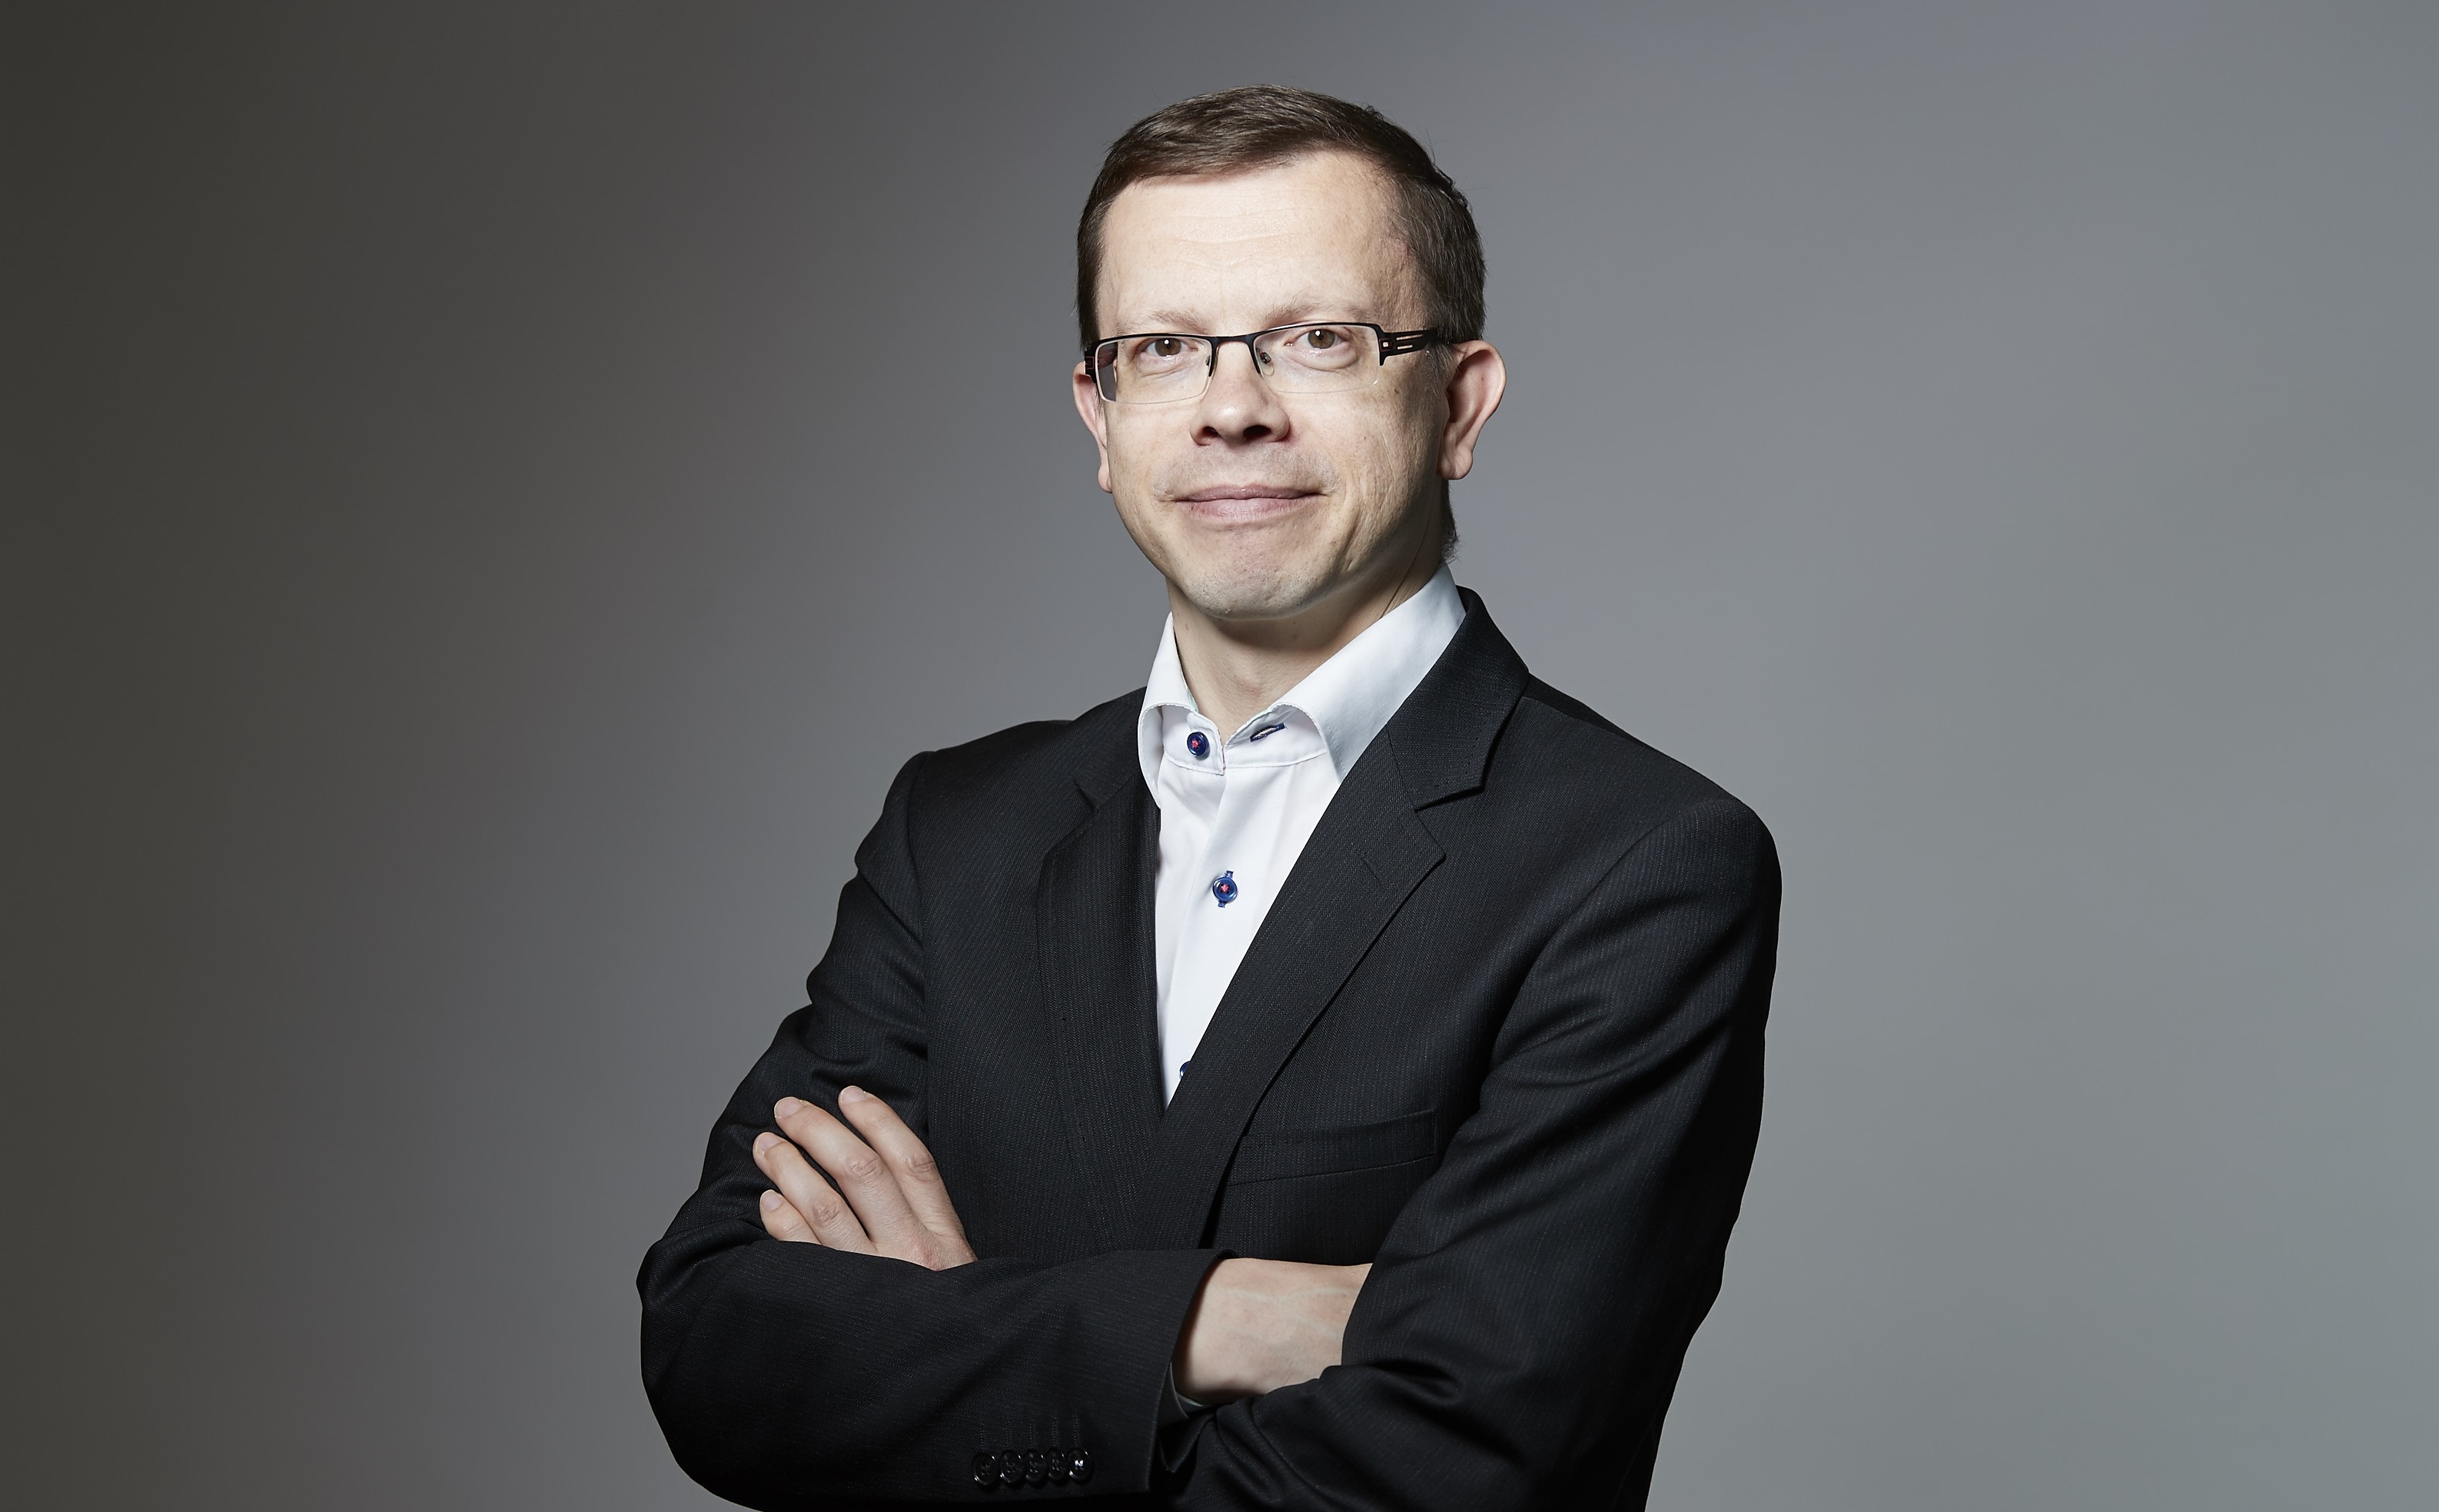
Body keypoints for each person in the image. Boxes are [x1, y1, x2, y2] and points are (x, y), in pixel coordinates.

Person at [639, 85, 1779, 1511]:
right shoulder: (959, 833)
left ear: (1456, 403)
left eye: (1318, 339)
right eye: (1164, 348)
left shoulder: (1638, 865)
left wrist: (962, 1345)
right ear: (1099, 414)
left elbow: (1457, 1467)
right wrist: (1220, 1317)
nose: (1232, 409)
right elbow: (716, 1344)